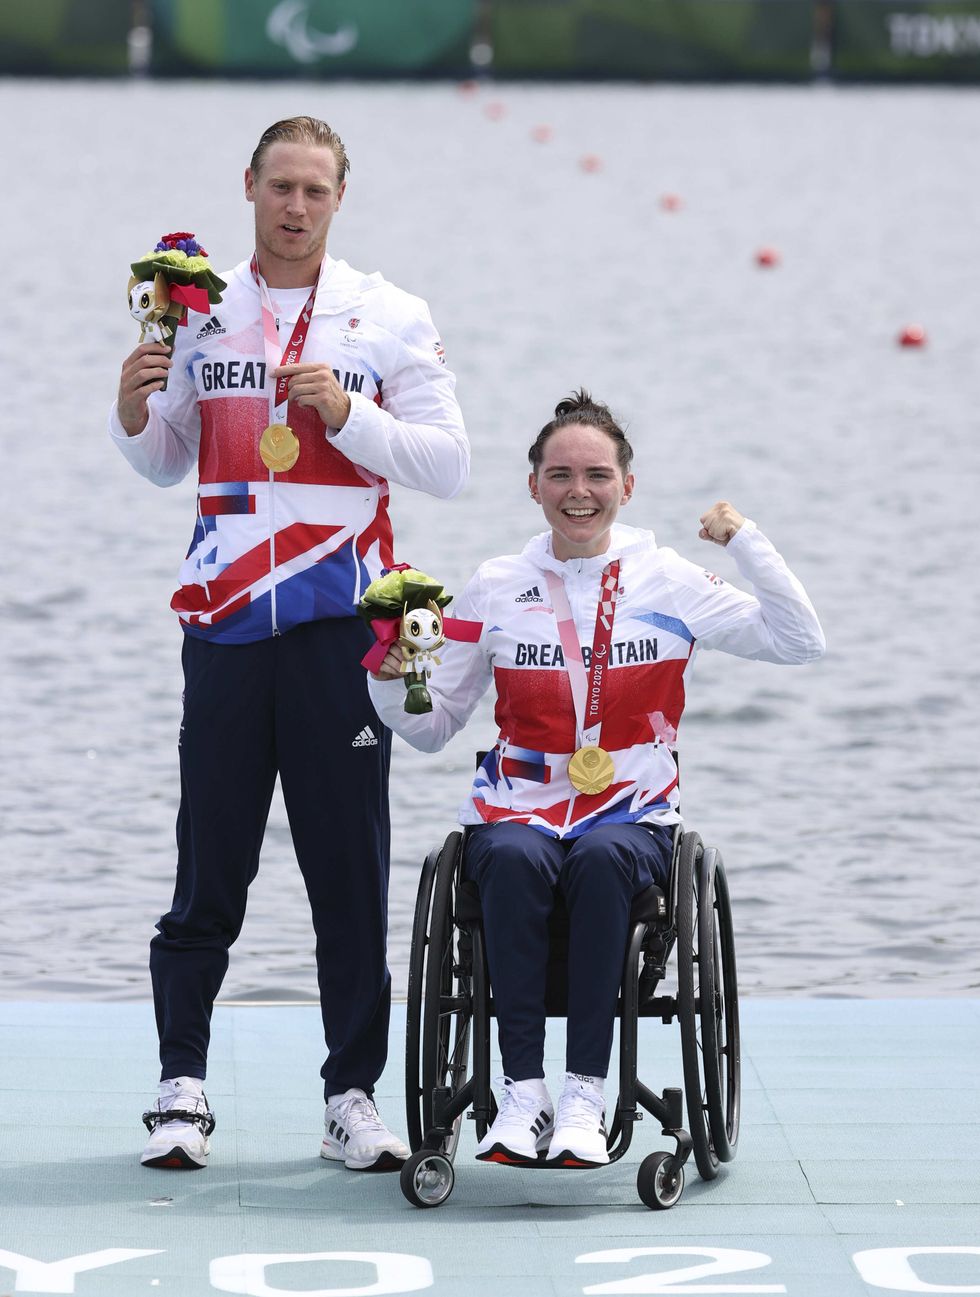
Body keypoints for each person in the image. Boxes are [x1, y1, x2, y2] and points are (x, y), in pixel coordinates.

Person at [110, 116, 469, 1172]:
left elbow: (447, 463)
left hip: (340, 631)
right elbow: (167, 462)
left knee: (345, 877)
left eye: (315, 190)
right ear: (249, 186)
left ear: (340, 197)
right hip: (224, 626)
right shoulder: (200, 308)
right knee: (207, 868)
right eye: (280, 187)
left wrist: (348, 412)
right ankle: (181, 1089)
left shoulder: (387, 313)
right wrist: (131, 412)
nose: (296, 207)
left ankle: (350, 1097)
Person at [368, 391, 824, 1167]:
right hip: (518, 809)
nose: (579, 491)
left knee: (604, 857)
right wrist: (389, 678)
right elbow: (434, 725)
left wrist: (744, 540)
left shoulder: (667, 579)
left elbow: (800, 640)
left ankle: (584, 1093)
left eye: (597, 475)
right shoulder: (495, 584)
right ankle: (523, 1095)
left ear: (627, 487)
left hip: (631, 815)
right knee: (512, 857)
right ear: (534, 485)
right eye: (561, 475)